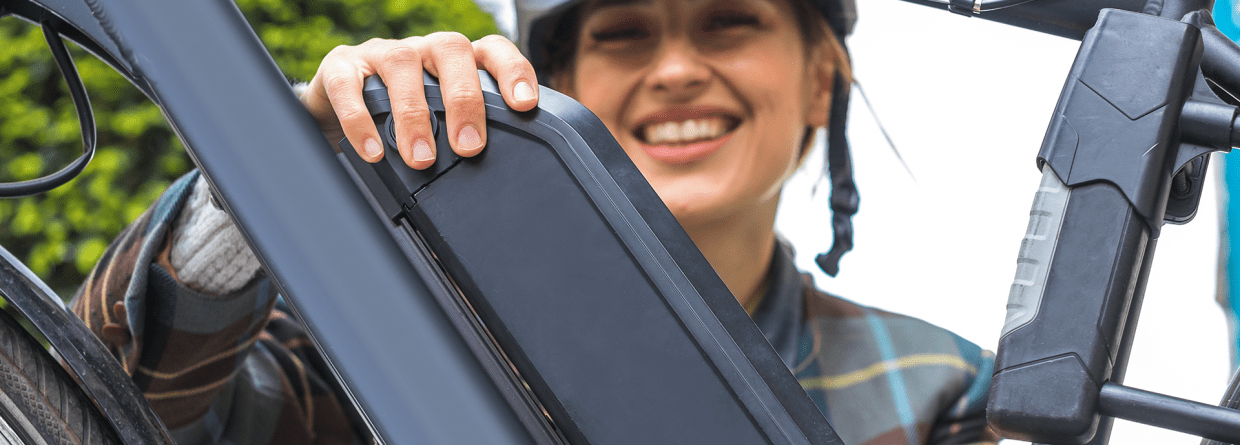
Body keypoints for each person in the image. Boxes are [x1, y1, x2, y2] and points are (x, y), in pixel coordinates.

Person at [71, 0, 1002, 444]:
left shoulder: (947, 392)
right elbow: (96, 408)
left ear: (817, 78)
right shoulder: (386, 339)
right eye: (624, 32)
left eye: (729, 22)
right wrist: (271, 172)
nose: (676, 70)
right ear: (555, 87)